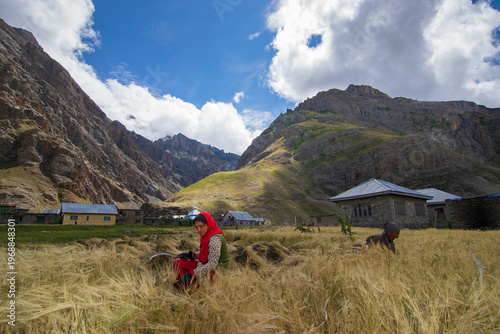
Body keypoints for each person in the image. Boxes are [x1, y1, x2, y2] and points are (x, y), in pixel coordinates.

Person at [173, 212, 229, 289]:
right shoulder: (207, 235)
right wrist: (192, 255)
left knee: (187, 272)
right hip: (206, 266)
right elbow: (208, 254)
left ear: (208, 224)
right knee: (178, 264)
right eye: (196, 227)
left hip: (217, 272)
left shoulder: (214, 239)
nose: (199, 230)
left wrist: (192, 274)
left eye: (201, 226)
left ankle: (192, 287)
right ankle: (184, 285)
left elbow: (212, 264)